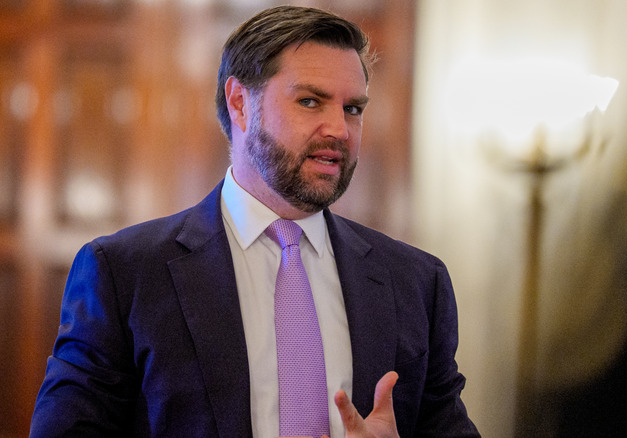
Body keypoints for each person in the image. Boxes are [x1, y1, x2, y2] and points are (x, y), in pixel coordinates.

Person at [30, 5, 479, 438]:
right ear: (240, 103)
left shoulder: (417, 283)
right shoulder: (123, 274)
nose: (339, 130)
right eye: (310, 101)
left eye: (353, 109)